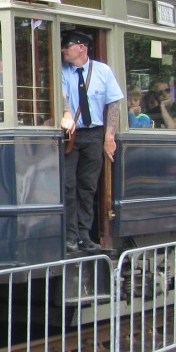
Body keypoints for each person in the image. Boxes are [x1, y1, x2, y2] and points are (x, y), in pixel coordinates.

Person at [61, 30, 124, 254]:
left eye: (67, 45)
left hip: (94, 134)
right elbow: (61, 96)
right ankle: (70, 235)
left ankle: (84, 233)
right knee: (68, 186)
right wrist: (67, 113)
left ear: (81, 47)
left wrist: (109, 137)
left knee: (87, 186)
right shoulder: (62, 70)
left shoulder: (102, 71)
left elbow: (114, 104)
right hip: (71, 135)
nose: (63, 49)